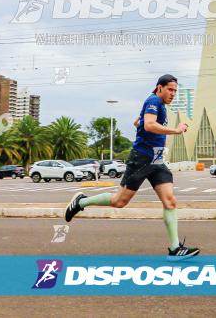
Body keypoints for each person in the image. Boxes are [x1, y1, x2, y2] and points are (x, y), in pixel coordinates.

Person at [64, 74, 199, 257]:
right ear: (159, 88)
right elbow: (150, 125)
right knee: (119, 201)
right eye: (170, 89)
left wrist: (142, 123)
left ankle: (175, 249)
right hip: (142, 158)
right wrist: (175, 130)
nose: (173, 93)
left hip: (157, 161)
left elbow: (139, 122)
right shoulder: (154, 101)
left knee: (170, 201)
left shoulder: (159, 106)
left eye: (175, 90)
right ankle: (82, 202)